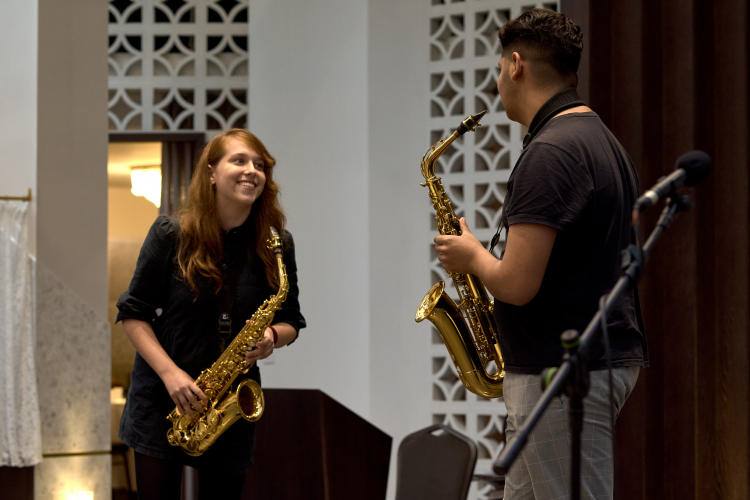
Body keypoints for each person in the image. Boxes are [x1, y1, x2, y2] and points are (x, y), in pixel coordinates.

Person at [434, 9, 647, 500]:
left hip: (560, 370)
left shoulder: (552, 150)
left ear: (515, 65)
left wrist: (470, 257)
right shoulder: (600, 140)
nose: (497, 82)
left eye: (496, 68)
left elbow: (516, 283)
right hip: (577, 363)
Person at [116, 129, 306, 500]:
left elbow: (292, 319)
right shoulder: (171, 233)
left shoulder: (277, 243)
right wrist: (171, 376)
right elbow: (132, 314)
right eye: (239, 160)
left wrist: (272, 337)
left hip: (229, 401)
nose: (252, 170)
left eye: (260, 164)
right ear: (211, 173)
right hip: (161, 400)